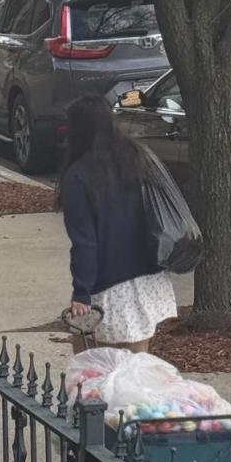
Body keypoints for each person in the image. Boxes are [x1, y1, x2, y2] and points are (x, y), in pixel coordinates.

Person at [58, 95, 177, 354]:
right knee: (135, 362)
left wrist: (81, 291)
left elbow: (85, 242)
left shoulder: (79, 176)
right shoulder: (136, 156)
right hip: (149, 274)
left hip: (111, 283)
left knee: (91, 361)